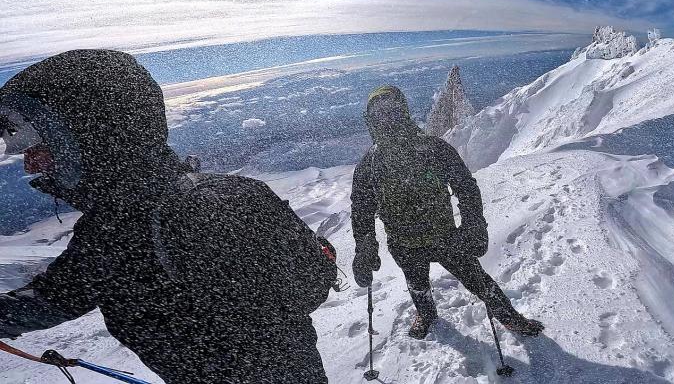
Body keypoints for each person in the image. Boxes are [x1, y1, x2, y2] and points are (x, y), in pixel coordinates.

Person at [0, 50, 336, 383]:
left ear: (92, 133)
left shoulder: (119, 231)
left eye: (34, 143)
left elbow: (47, 302)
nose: (31, 164)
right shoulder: (236, 191)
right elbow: (305, 288)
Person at [350, 85, 543, 339]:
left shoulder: (429, 149)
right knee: (419, 283)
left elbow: (465, 186)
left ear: (402, 113)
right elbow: (361, 210)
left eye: (391, 113)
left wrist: (474, 222)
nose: (386, 120)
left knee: (477, 280)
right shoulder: (374, 163)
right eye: (380, 115)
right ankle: (428, 315)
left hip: (442, 236)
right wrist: (364, 247)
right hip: (409, 241)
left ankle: (509, 318)